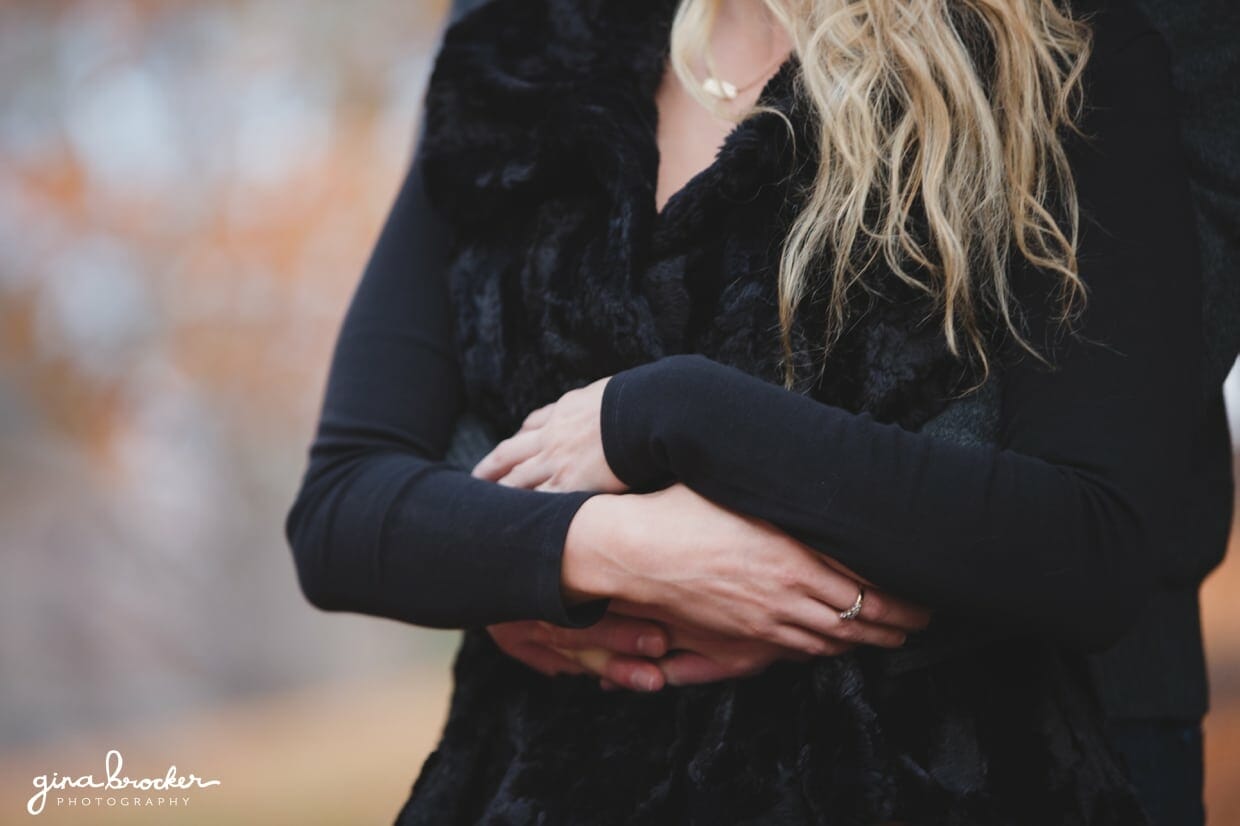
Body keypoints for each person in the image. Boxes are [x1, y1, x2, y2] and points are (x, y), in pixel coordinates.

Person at [285, 0, 1224, 822]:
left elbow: (1090, 539)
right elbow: (341, 507)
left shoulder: (1051, 52)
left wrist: (677, 413)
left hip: (935, 774)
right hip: (537, 776)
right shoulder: (523, 49)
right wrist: (611, 551)